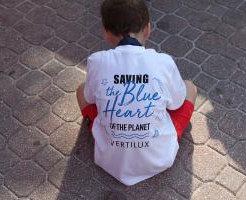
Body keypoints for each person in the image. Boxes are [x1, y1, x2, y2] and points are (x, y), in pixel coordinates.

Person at [76, 0, 197, 186]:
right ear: (148, 29)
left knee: (80, 90)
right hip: (159, 158)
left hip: (109, 159)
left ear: (106, 33)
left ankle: (99, 129)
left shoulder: (97, 61)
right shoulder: (163, 62)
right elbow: (176, 103)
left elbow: (89, 97)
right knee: (190, 88)